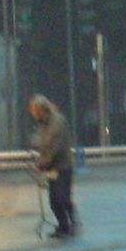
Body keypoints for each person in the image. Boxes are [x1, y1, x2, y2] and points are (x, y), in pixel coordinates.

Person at [28, 93, 78, 238]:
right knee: (54, 200)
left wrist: (42, 164)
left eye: (35, 112)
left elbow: (54, 146)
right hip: (52, 168)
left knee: (62, 198)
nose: (34, 116)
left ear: (41, 110)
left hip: (62, 166)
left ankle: (71, 223)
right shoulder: (44, 123)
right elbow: (43, 144)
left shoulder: (57, 122)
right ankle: (63, 226)